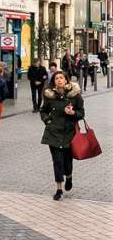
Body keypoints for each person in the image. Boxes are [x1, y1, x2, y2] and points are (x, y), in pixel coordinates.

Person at [40, 70, 84, 201]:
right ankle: (59, 188)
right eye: (56, 78)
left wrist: (73, 113)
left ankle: (69, 177)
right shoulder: (49, 96)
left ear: (66, 80)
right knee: (57, 162)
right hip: (53, 132)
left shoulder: (75, 96)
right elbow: (43, 111)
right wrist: (47, 120)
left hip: (69, 133)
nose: (59, 80)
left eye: (61, 78)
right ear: (53, 81)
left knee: (67, 161)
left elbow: (82, 113)